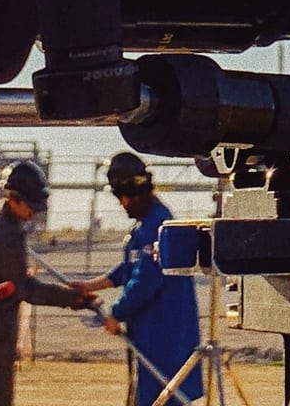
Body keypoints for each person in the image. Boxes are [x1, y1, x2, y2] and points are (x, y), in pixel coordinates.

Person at [0, 160, 92, 406]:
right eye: (30, 205)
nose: (34, 212)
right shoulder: (9, 234)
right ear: (13, 198)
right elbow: (26, 290)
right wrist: (72, 298)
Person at [72, 153, 203, 406]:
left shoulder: (158, 226)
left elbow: (145, 281)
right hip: (148, 331)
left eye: (124, 198)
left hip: (163, 331)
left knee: (162, 396)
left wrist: (116, 314)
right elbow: (130, 268)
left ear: (135, 194)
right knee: (146, 394)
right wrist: (91, 285)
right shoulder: (144, 226)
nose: (122, 204)